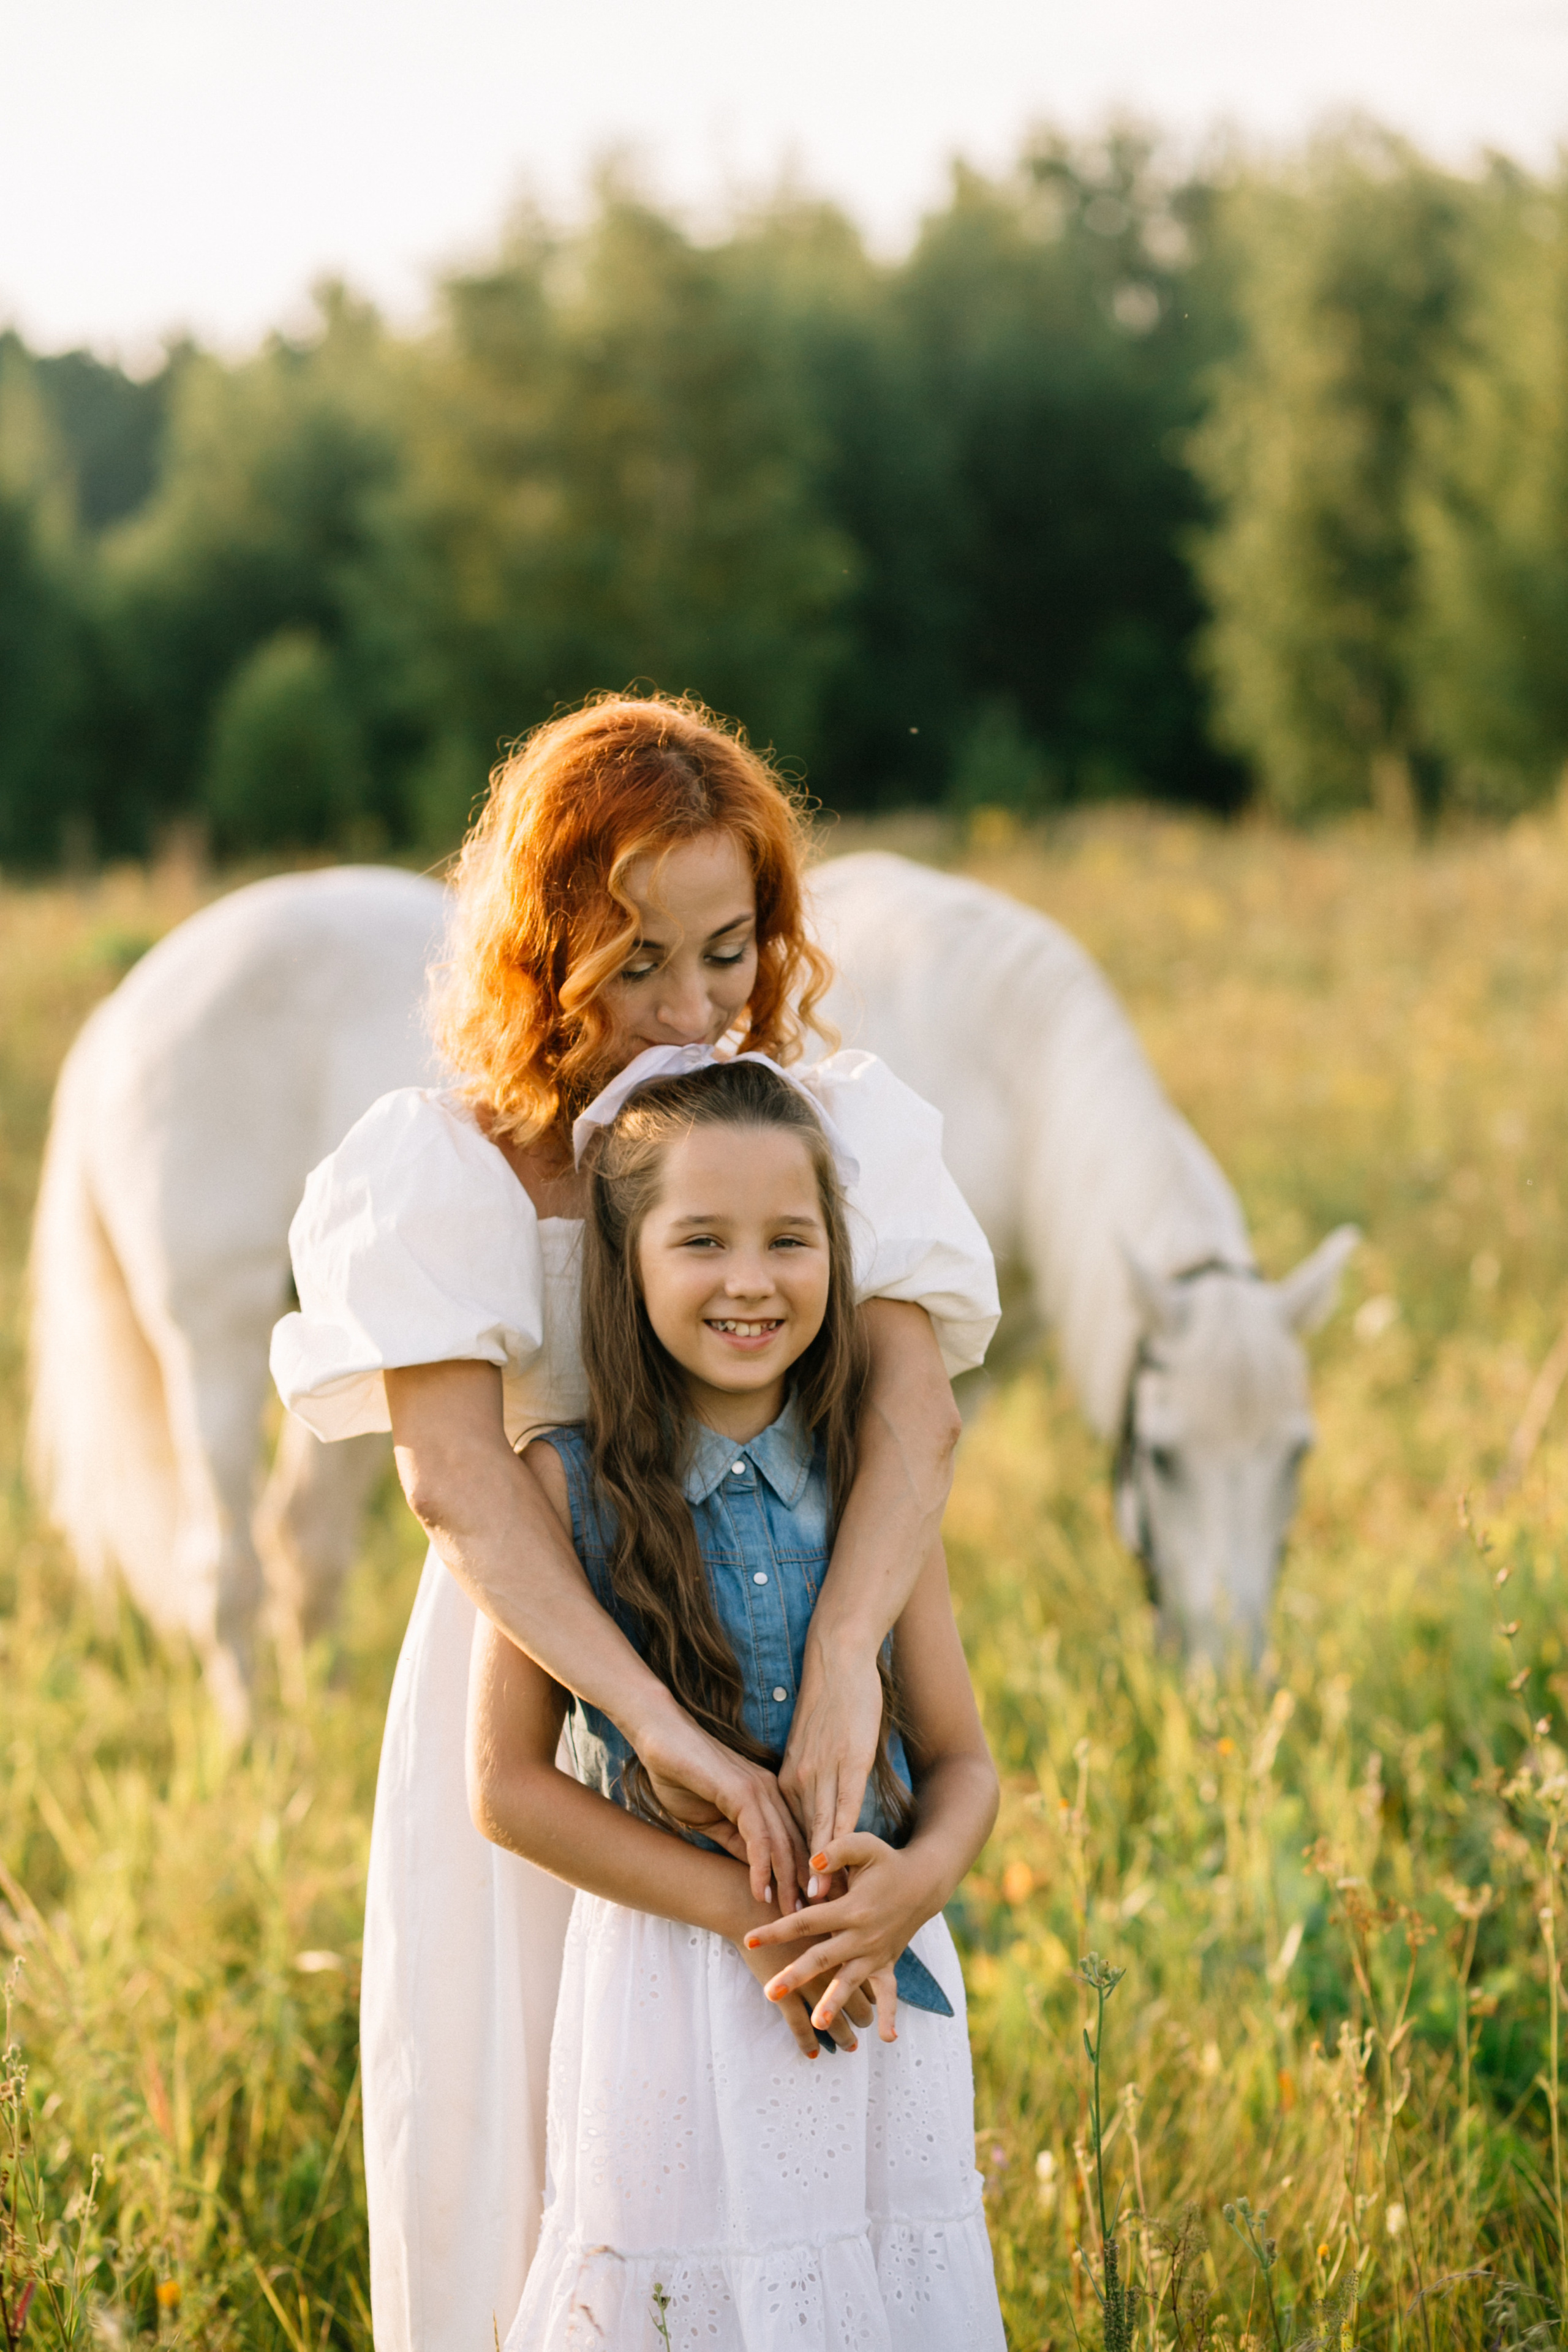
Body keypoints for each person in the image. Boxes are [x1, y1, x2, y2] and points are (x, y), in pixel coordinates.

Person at [270, 695, 1000, 2352]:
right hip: (544, 1648)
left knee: (777, 2155)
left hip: (805, 1614)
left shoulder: (814, 1129)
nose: (692, 1013)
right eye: (637, 966)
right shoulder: (446, 1165)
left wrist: (843, 1667)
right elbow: (458, 1480)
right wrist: (654, 1723)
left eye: (729, 955)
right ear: (546, 954)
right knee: (510, 2140)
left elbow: (914, 1412)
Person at [469, 1055, 1005, 2349]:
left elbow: (964, 1761)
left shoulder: (875, 1484)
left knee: (869, 2282)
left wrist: (912, 1887)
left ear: (838, 1256)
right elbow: (506, 1791)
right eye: (701, 1241)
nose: (751, 1279)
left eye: (790, 1240)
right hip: (673, 1987)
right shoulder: (569, 1492)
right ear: (629, 1260)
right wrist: (754, 1923)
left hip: (879, 1967)